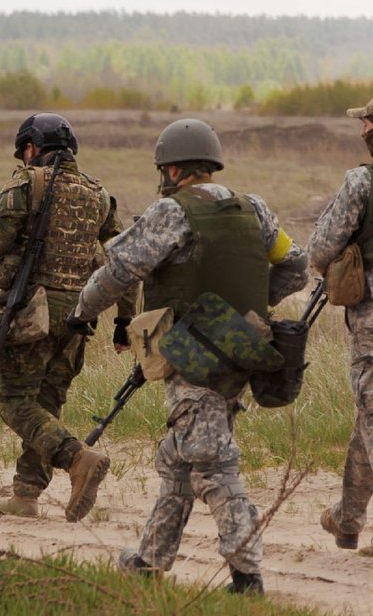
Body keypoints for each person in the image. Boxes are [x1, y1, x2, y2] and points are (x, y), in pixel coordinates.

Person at [72, 118, 308, 596]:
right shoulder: (254, 209)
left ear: (175, 170)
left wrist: (79, 311)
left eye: (165, 169)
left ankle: (247, 576)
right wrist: (252, 310)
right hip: (246, 348)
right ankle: (149, 561)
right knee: (177, 459)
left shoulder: (170, 213)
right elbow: (296, 266)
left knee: (212, 462)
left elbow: (118, 272)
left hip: (193, 353)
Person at [0, 113, 132, 520]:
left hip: (32, 311)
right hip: (81, 315)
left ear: (31, 149)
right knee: (46, 402)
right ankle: (26, 494)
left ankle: (77, 458)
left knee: (14, 402)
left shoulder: (27, 182)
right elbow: (125, 263)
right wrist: (123, 322)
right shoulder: (99, 195)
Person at [308, 98, 373, 552]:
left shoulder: (361, 182)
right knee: (366, 416)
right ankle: (347, 518)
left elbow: (319, 249)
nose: (362, 125)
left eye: (366, 120)